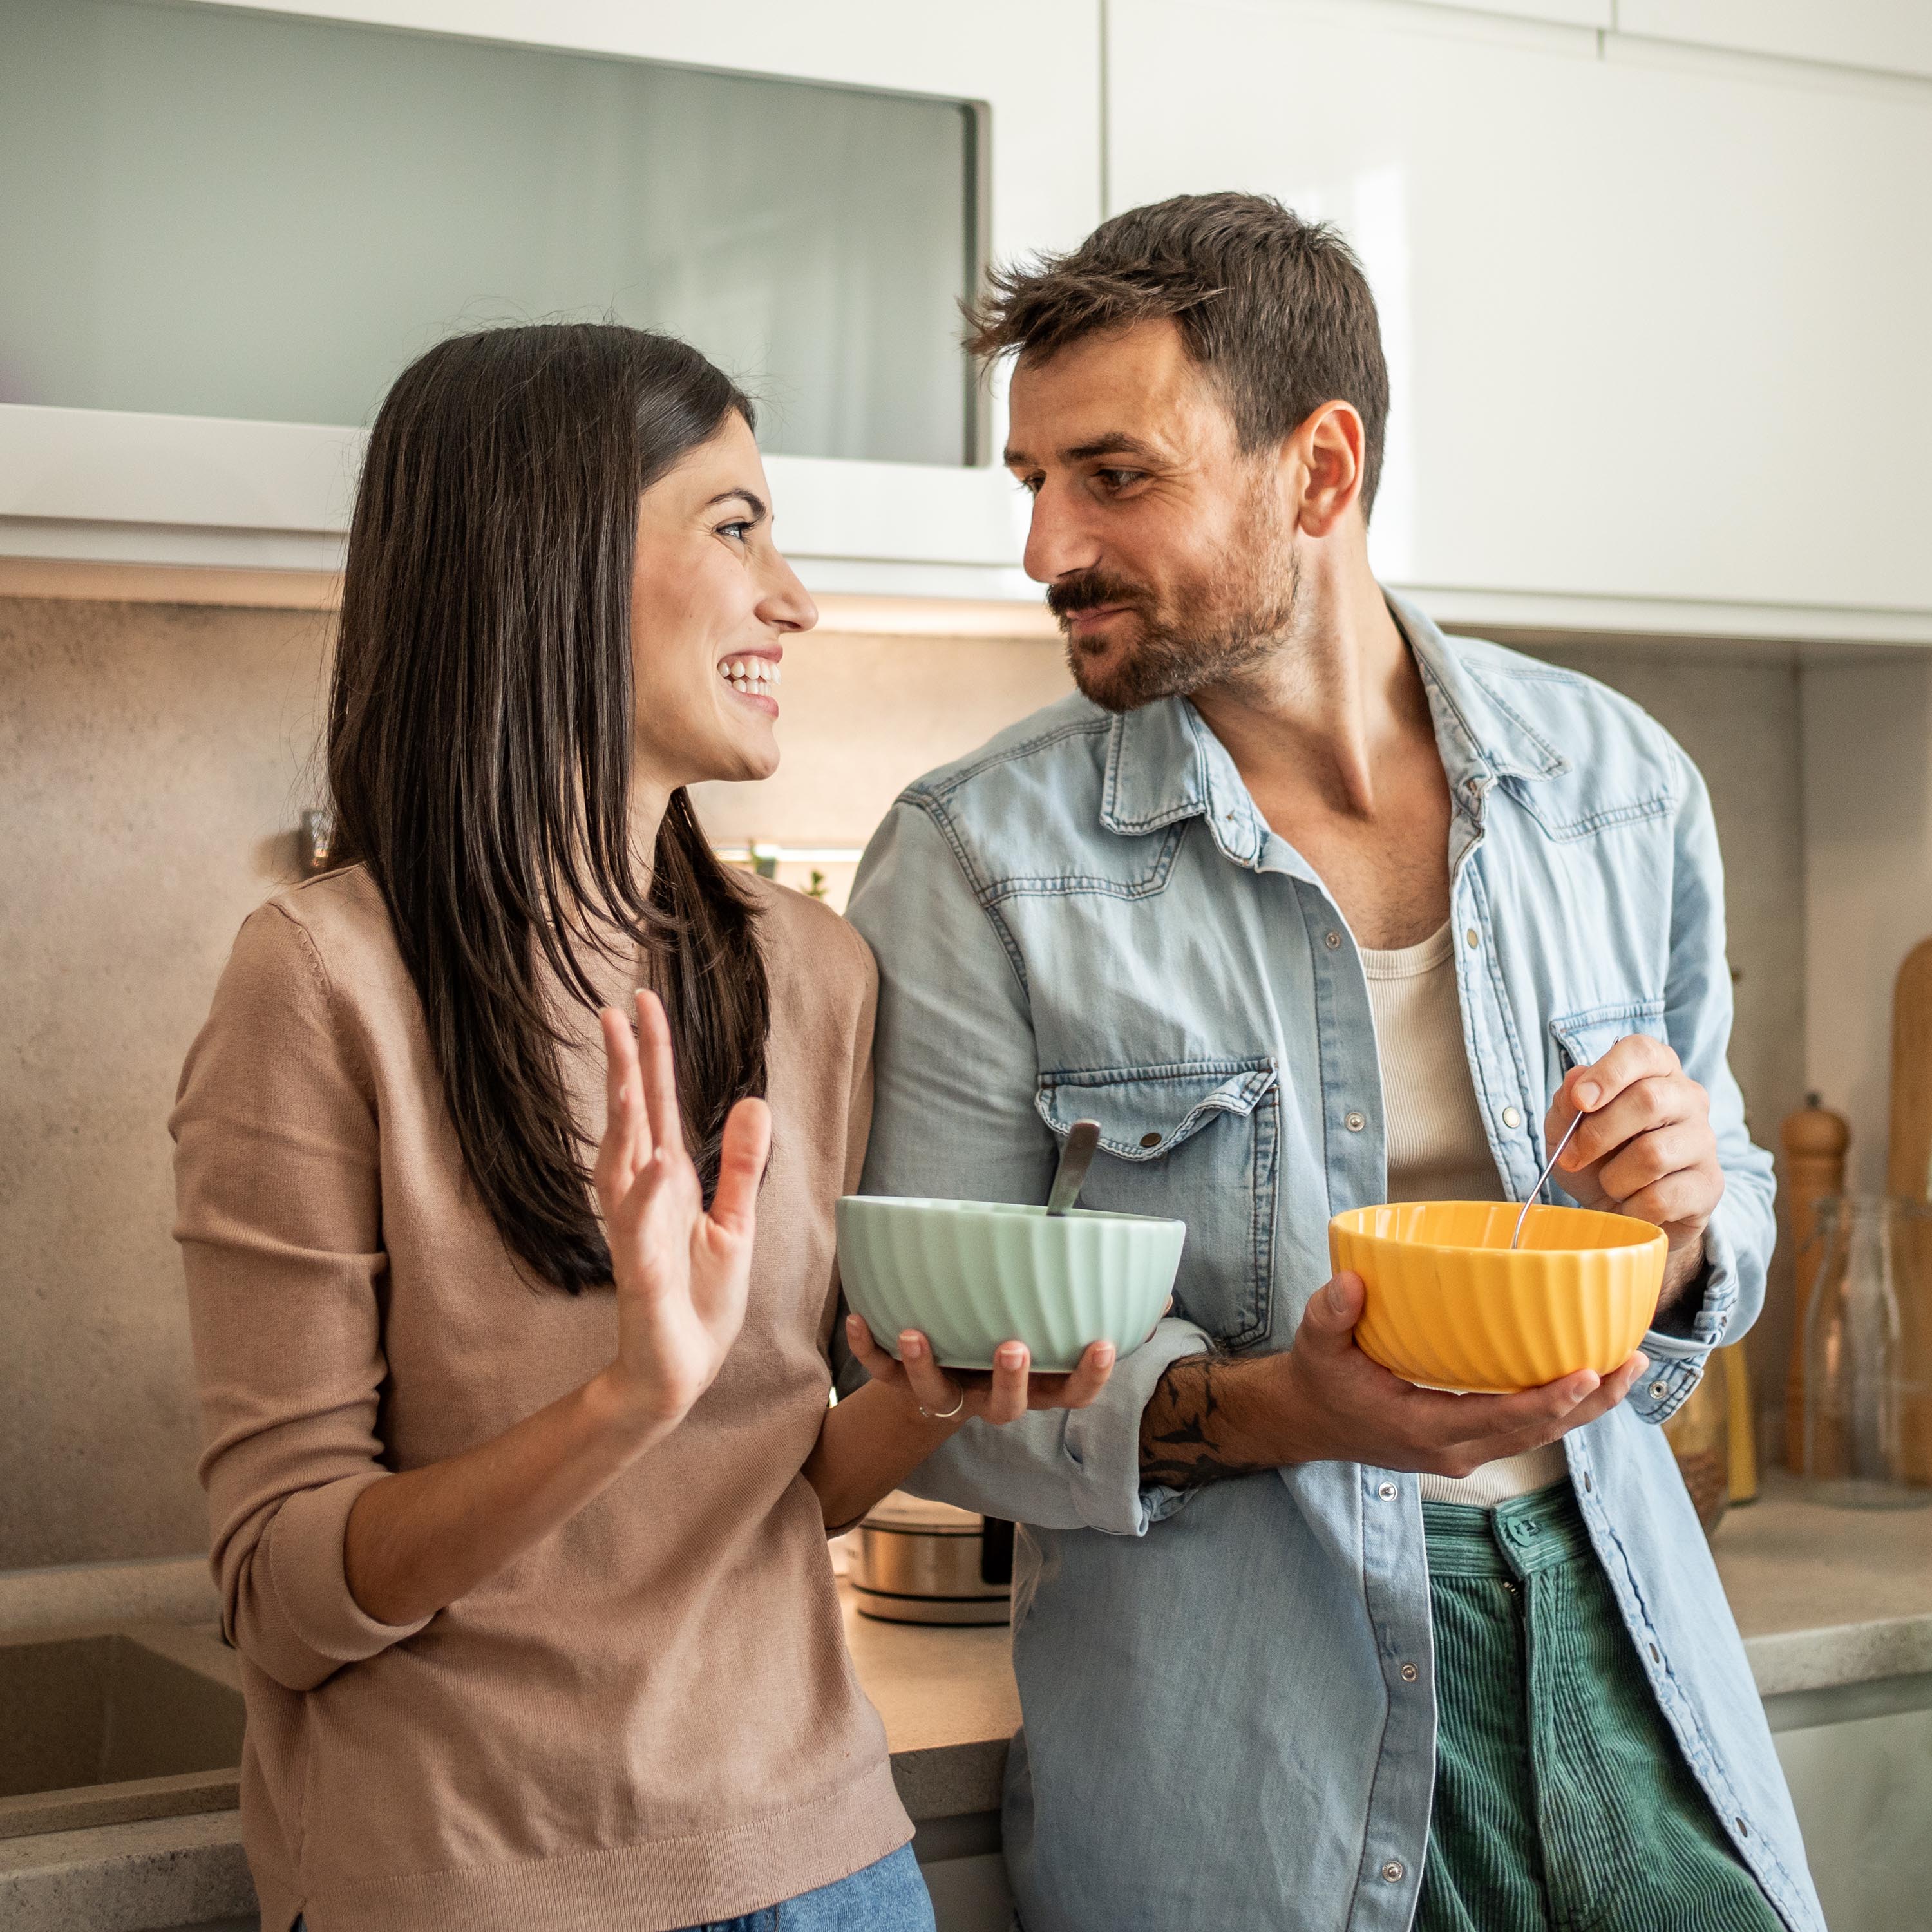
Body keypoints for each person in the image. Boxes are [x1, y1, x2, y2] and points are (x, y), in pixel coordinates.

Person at [845, 195, 1823, 1931]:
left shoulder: (1618, 784)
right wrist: (1279, 1411)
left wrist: (1679, 1229)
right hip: (1248, 1737)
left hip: (1630, 1629)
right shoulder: (979, 860)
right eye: (1033, 482)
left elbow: (1727, 1201)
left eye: (1115, 477)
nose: (1048, 545)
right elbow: (921, 1387)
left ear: (1319, 467)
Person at [171, 322, 1113, 1932]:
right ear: (548, 558)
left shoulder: (808, 975)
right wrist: (624, 1401)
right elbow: (283, 1594)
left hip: (827, 1861)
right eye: (735, 526)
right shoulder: (325, 984)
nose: (795, 598)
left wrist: (918, 1404)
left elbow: (767, 1494)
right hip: (471, 1885)